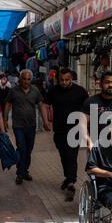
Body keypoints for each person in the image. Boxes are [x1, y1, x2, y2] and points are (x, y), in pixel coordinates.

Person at [44, 68, 89, 201]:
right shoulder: (53, 90)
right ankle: (68, 178)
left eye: (67, 80)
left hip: (75, 130)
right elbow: (44, 104)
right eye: (62, 80)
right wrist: (46, 121)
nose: (64, 82)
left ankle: (71, 182)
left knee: (71, 154)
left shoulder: (80, 91)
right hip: (59, 129)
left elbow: (87, 108)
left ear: (71, 79)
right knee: (63, 154)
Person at [4, 69, 49, 185]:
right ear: (20, 79)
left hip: (31, 125)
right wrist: (4, 120)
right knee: (21, 148)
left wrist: (45, 121)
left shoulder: (35, 91)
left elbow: (41, 106)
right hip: (18, 125)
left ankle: (25, 171)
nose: (26, 81)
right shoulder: (13, 91)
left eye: (28, 79)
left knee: (28, 150)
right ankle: (20, 173)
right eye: (24, 79)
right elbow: (8, 104)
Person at [82, 71, 112, 150]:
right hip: (96, 146)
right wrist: (89, 142)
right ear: (100, 84)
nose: (110, 85)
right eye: (107, 82)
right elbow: (83, 125)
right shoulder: (90, 102)